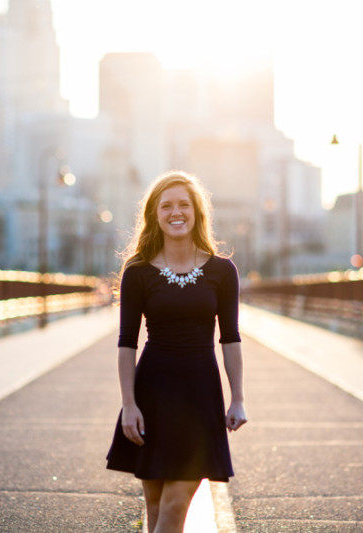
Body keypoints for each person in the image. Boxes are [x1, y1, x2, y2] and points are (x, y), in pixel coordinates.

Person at [106, 171, 247, 533]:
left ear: (197, 212)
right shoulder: (137, 272)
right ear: (154, 215)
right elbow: (127, 343)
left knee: (174, 504)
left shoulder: (222, 271)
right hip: (151, 394)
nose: (176, 212)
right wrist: (128, 404)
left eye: (184, 204)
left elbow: (230, 338)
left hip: (200, 397)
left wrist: (238, 398)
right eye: (166, 206)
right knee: (154, 507)